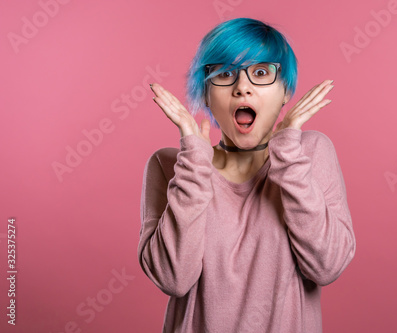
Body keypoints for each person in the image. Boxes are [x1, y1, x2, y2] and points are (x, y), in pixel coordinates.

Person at [138, 17, 355, 333]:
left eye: (262, 73)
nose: (242, 87)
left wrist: (288, 154)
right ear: (207, 96)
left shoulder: (309, 153)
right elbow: (173, 278)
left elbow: (327, 266)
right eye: (224, 74)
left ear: (285, 92)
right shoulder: (172, 166)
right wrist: (195, 164)